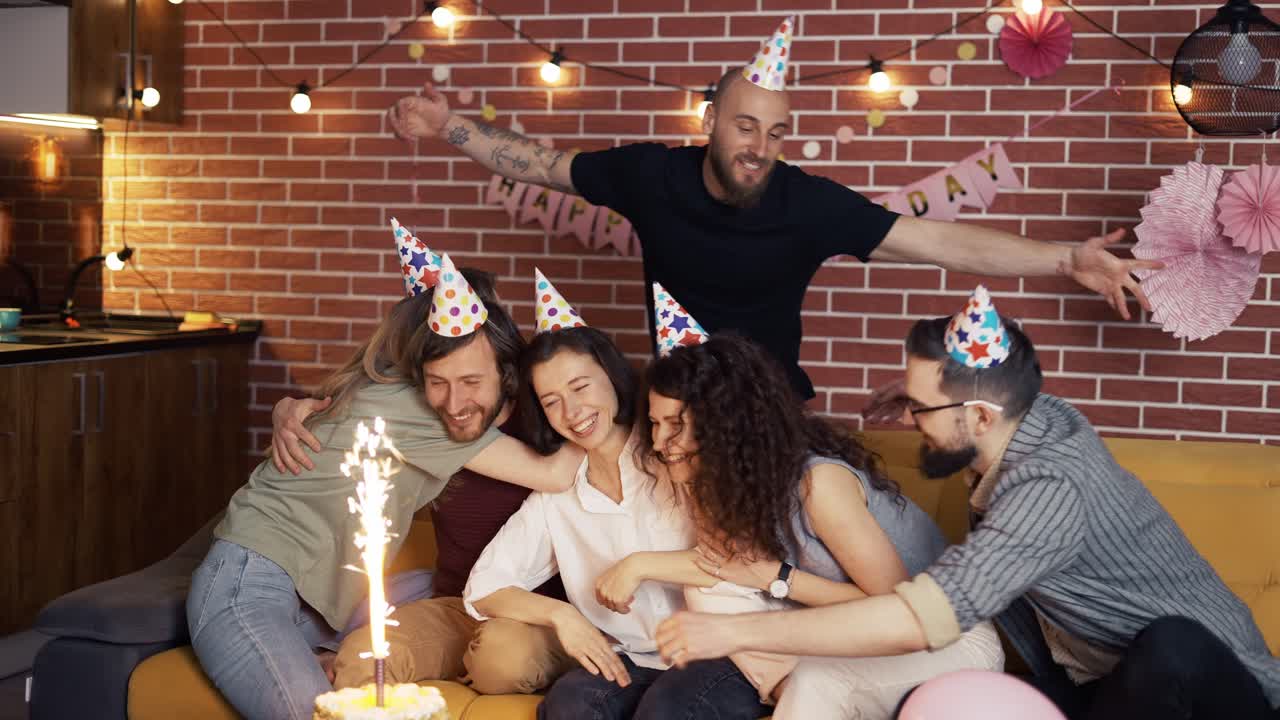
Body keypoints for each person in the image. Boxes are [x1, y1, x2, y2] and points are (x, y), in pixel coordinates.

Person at [384, 17, 1161, 400]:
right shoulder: (650, 176)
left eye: (777, 132)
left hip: (775, 404)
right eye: (746, 126)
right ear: (711, 122)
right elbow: (542, 165)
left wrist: (1065, 258)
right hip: (679, 397)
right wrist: (447, 125)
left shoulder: (808, 205)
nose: (760, 146)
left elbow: (937, 240)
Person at [653, 286, 1280, 720]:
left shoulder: (1049, 490)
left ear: (979, 415)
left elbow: (914, 616)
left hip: (1216, 691)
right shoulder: (1021, 421)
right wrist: (918, 394)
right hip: (1105, 685)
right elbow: (1000, 390)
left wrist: (733, 629)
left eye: (923, 411)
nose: (913, 423)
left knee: (1171, 644)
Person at [187, 236, 582, 720]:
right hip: (252, 582)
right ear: (425, 350)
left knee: (435, 591)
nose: (454, 396)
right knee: (318, 713)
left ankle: (322, 652)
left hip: (324, 593)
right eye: (442, 375)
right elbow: (556, 473)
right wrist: (605, 413)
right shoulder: (422, 409)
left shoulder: (398, 393)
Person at [596, 332, 1002, 719]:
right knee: (712, 595)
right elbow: (718, 567)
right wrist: (637, 565)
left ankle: (787, 688)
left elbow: (895, 610)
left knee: (815, 681)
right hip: (863, 641)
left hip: (946, 639)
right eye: (655, 423)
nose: (661, 441)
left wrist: (777, 577)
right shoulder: (727, 482)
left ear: (724, 424)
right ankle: (782, 686)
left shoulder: (817, 484)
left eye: (676, 424)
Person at [462, 321, 769, 719]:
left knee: (667, 709)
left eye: (580, 387)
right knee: (569, 704)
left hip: (722, 651)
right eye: (551, 401)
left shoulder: (676, 455)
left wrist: (637, 566)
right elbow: (485, 587)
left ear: (611, 376)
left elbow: (740, 559)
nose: (572, 412)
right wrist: (562, 615)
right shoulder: (558, 495)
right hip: (631, 657)